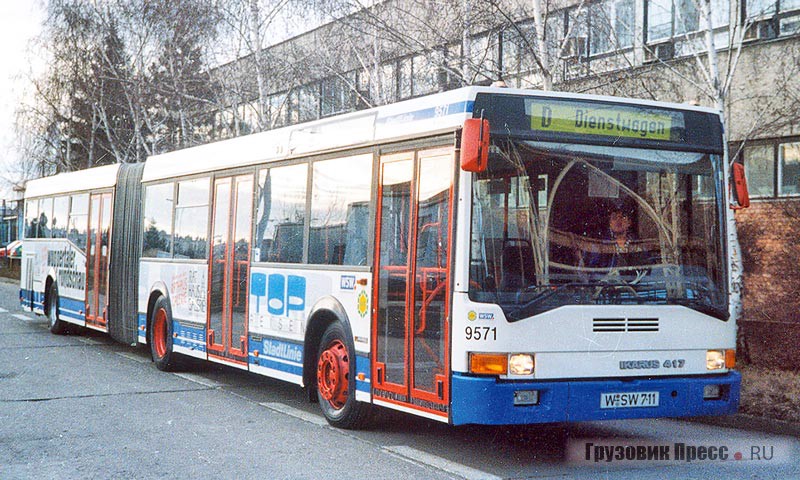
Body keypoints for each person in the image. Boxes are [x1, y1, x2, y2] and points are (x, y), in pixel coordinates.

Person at [585, 202, 647, 280]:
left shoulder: (638, 245)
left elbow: (646, 270)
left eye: (622, 217)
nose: (618, 220)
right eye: (614, 218)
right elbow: (592, 273)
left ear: (629, 223)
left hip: (636, 289)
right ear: (610, 223)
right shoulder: (601, 246)